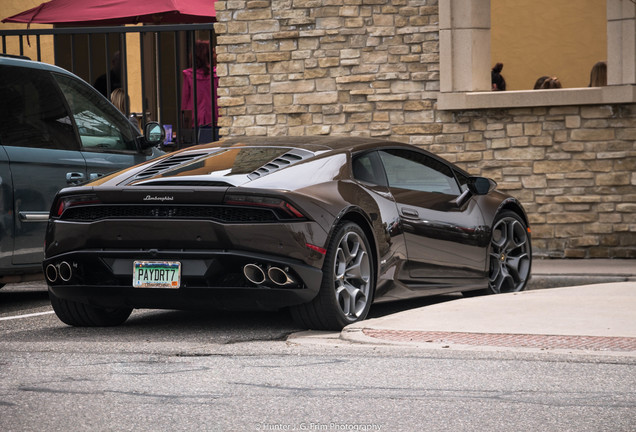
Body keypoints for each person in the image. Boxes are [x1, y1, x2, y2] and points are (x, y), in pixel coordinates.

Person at [181, 40, 219, 142]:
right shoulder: (218, 74)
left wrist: (185, 127)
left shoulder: (189, 75)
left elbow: (185, 103)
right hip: (217, 119)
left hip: (196, 122)